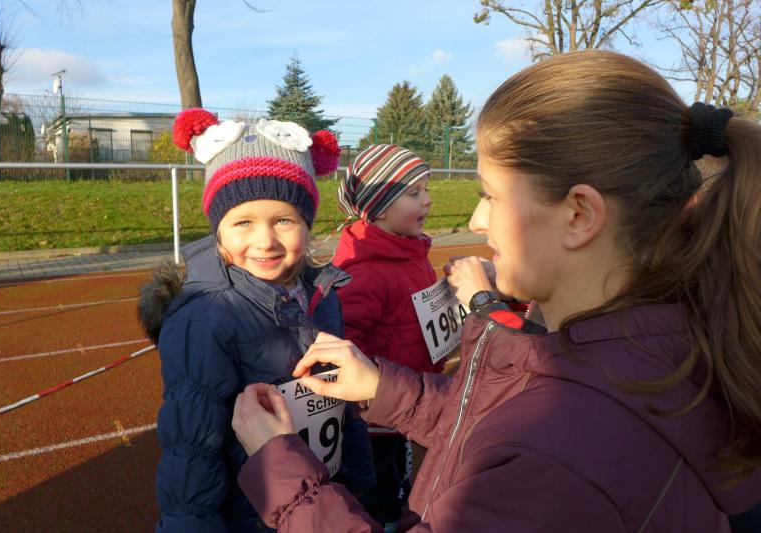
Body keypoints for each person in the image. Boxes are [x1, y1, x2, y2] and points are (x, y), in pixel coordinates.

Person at [229, 50, 761, 532]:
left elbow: (522, 445)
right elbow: (489, 424)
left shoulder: (553, 458)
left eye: (490, 194)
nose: (476, 220)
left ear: (579, 215)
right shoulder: (667, 350)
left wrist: (282, 470)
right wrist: (381, 385)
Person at [137, 109, 374, 532]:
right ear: (219, 229)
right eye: (243, 222)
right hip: (252, 515)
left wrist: (361, 483)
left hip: (317, 504)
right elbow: (191, 452)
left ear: (307, 224)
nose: (265, 241)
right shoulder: (205, 320)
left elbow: (341, 406)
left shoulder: (323, 296)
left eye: (283, 220)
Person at [333, 144, 441, 527]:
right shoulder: (362, 272)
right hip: (376, 419)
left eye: (426, 189)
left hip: (407, 400)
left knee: (402, 479)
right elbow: (344, 343)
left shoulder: (412, 253)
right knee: (382, 494)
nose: (427, 200)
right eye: (413, 193)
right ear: (378, 208)